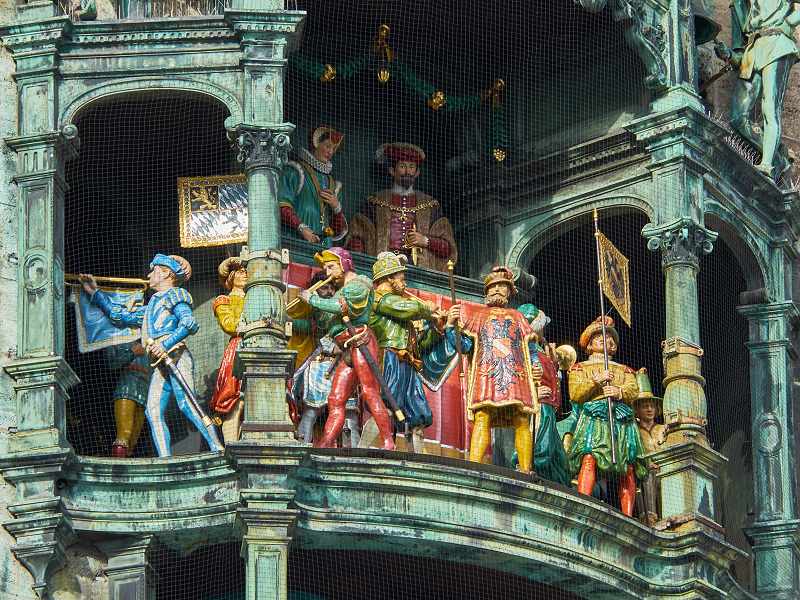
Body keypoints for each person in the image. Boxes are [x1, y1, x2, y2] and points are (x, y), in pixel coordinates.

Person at [79, 255, 223, 457]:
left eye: (153, 271)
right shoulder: (150, 308)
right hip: (160, 362)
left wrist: (164, 344)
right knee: (152, 410)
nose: (148, 276)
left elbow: (189, 323)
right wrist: (95, 293)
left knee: (186, 403)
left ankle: (216, 446)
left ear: (165, 273)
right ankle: (165, 458)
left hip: (176, 356)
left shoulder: (176, 295)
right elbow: (120, 316)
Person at [299, 247, 395, 450]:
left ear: (344, 264)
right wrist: (313, 306)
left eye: (331, 266)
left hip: (360, 341)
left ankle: (388, 442)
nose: (328, 272)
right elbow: (327, 320)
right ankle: (326, 443)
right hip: (347, 347)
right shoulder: (341, 291)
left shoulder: (360, 283)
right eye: (325, 268)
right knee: (336, 398)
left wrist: (313, 300)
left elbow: (343, 307)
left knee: (369, 391)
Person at [459, 266, 540, 473]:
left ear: (510, 291)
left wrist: (535, 364)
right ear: (486, 292)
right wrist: (453, 330)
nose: (496, 290)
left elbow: (529, 345)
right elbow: (466, 346)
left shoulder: (518, 316)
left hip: (516, 373)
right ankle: (474, 465)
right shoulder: (478, 315)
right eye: (492, 287)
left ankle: (525, 469)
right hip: (487, 373)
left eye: (502, 286)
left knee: (521, 418)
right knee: (483, 414)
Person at [367, 252, 447, 452]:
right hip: (389, 358)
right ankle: (364, 448)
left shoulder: (404, 312)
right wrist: (427, 308)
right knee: (386, 404)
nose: (405, 283)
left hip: (408, 364)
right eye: (401, 278)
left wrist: (437, 327)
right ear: (389, 278)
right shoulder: (379, 299)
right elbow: (406, 309)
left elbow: (420, 345)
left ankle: (417, 458)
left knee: (418, 414)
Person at [566, 316, 646, 517]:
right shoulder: (579, 368)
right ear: (589, 344)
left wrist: (619, 392)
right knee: (589, 456)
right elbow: (575, 394)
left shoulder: (625, 370)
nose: (606, 340)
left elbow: (633, 390)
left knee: (627, 466)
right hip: (595, 417)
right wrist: (597, 381)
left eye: (610, 338)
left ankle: (628, 514)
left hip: (621, 420)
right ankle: (583, 502)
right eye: (599, 337)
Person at [715, 0, 800, 178]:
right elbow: (739, 53)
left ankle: (767, 164)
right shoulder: (738, 5)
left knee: (770, 107)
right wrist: (728, 54)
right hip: (752, 53)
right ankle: (778, 159)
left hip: (777, 43)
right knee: (737, 118)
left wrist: (789, 22)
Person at [347, 142, 456, 271]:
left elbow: (447, 249)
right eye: (402, 166)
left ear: (417, 172)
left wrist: (426, 241)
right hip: (382, 268)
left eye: (411, 167)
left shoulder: (430, 205)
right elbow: (357, 236)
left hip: (418, 271)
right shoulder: (375, 202)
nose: (408, 171)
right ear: (392, 170)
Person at [517, 304, 570, 486]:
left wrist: (554, 362)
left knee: (555, 453)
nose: (544, 331)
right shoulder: (523, 349)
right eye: (542, 327)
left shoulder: (540, 349)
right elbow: (517, 375)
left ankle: (552, 481)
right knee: (540, 444)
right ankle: (525, 467)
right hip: (536, 404)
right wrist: (533, 392)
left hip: (549, 406)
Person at [279, 125, 348, 245]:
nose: (330, 152)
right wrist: (302, 228)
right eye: (327, 146)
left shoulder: (333, 185)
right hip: (296, 243)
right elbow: (282, 206)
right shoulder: (295, 171)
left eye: (334, 149)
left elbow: (336, 231)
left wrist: (336, 208)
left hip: (324, 249)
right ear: (316, 144)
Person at [210, 257, 247, 444]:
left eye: (246, 271)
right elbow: (229, 324)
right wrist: (251, 324)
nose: (245, 274)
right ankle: (230, 446)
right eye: (240, 272)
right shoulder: (224, 300)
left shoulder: (257, 297)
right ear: (231, 277)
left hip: (260, 345)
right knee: (234, 400)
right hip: (238, 348)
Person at [105, 341, 151, 457]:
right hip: (126, 389)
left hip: (144, 392)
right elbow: (112, 364)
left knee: (133, 440)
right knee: (124, 434)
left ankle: (127, 459)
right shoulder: (114, 340)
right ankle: (118, 464)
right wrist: (132, 353)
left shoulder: (147, 340)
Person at [634, 367, 665, 525]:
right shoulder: (635, 431)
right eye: (645, 406)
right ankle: (649, 517)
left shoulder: (663, 429)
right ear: (637, 410)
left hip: (664, 469)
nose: (649, 409)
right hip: (645, 471)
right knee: (648, 475)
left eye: (652, 406)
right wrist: (646, 464)